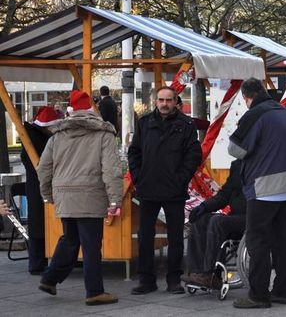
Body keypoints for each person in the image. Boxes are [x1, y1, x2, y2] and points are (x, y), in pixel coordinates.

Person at [36, 90, 122, 306]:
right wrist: (115, 200)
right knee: (91, 245)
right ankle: (94, 292)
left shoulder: (57, 136)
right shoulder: (104, 134)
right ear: (92, 110)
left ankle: (50, 278)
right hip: (90, 195)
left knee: (70, 239)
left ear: (70, 112)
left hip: (64, 195)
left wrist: (47, 193)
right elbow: (111, 170)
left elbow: (44, 168)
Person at [228, 78, 286, 309]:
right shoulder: (281, 110)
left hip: (264, 188)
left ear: (247, 97)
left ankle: (258, 294)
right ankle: (282, 291)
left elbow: (235, 149)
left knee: (257, 241)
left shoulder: (255, 113)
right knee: (282, 241)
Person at [128, 86, 202, 295]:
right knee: (145, 236)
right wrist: (138, 177)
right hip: (148, 188)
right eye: (161, 100)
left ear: (175, 101)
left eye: (168, 100)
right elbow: (134, 152)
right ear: (155, 101)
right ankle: (146, 280)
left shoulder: (186, 124)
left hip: (174, 190)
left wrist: (181, 179)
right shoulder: (144, 123)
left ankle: (174, 280)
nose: (164, 104)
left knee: (176, 237)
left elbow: (193, 154)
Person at [181, 159, 246, 289]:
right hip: (234, 216)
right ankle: (196, 271)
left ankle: (211, 275)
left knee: (217, 222)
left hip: (252, 216)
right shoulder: (237, 165)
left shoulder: (259, 164)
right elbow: (224, 195)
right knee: (201, 219)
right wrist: (204, 207)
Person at [21, 106, 61, 275]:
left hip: (39, 183)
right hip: (38, 185)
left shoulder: (34, 135)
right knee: (38, 223)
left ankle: (42, 260)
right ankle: (37, 262)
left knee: (41, 222)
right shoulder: (36, 138)